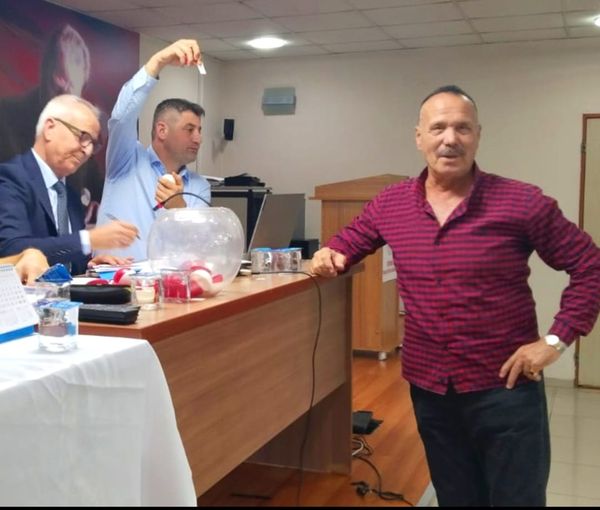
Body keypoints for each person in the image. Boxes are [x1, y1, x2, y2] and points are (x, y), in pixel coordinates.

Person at [310, 85, 600, 506]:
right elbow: (348, 241)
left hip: (506, 388)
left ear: (478, 135)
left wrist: (555, 341)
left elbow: (590, 266)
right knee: (456, 497)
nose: (450, 139)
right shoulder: (391, 204)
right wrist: (329, 253)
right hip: (431, 391)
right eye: (439, 128)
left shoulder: (521, 202)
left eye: (462, 128)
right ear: (419, 137)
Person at [96, 39, 211, 261]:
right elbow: (121, 117)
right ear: (162, 130)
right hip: (115, 279)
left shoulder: (199, 186)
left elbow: (201, 245)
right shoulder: (126, 160)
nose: (198, 138)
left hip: (171, 282)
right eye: (189, 129)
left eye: (199, 130)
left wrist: (179, 207)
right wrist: (158, 62)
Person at [0, 94, 138, 275]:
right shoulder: (10, 178)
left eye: (92, 144)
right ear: (50, 129)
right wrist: (88, 239)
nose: (87, 150)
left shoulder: (70, 196)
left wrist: (88, 264)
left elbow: (63, 255)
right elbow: (11, 250)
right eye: (83, 137)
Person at [0, 24, 104, 226]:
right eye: (57, 80)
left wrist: (99, 206)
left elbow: (96, 188)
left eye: (69, 89)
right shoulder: (7, 116)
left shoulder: (83, 135)